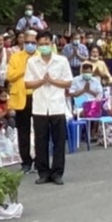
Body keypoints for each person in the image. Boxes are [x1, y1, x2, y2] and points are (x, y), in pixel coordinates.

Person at [24, 30, 72, 185]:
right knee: (40, 141)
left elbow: (68, 82)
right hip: (39, 106)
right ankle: (43, 172)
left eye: (47, 44)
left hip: (57, 105)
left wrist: (51, 81)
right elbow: (28, 83)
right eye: (41, 44)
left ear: (52, 44)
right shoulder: (32, 62)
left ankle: (57, 173)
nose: (44, 47)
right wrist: (41, 81)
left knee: (58, 141)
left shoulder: (61, 61)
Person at [6, 29, 34, 172]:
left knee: (40, 130)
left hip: (38, 97)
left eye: (32, 42)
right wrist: (25, 68)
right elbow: (10, 76)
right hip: (21, 97)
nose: (29, 44)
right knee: (23, 131)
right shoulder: (15, 57)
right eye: (27, 42)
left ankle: (41, 160)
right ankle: (26, 161)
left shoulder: (42, 56)